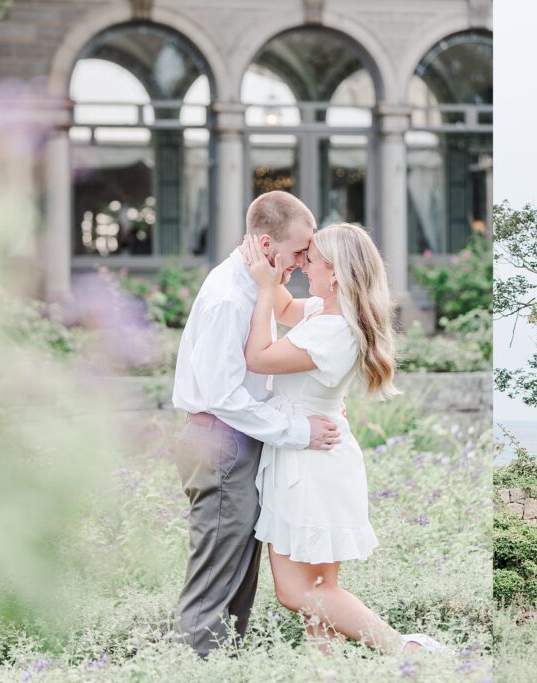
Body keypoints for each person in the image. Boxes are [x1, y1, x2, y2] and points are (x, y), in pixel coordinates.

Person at [242, 222, 446, 655]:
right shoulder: (326, 312)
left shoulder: (333, 330)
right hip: (312, 453)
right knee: (320, 590)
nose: (301, 267)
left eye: (309, 260)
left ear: (334, 273)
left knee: (297, 593)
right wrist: (270, 271)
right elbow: (284, 310)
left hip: (311, 464)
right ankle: (328, 670)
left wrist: (263, 289)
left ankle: (406, 652)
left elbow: (259, 358)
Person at [171, 191, 342, 657]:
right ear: (266, 245)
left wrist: (352, 302)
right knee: (214, 581)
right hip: (221, 441)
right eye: (298, 253)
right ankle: (197, 667)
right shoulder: (230, 297)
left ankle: (226, 664)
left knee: (235, 577)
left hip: (233, 441)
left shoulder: (251, 282)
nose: (302, 262)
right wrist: (301, 432)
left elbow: (296, 310)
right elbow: (223, 396)